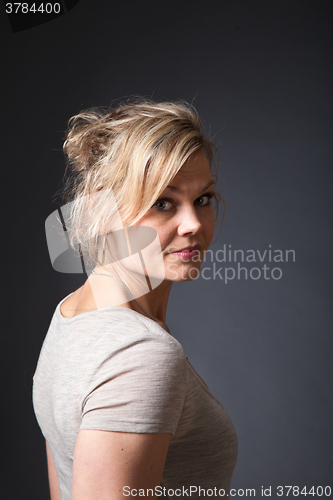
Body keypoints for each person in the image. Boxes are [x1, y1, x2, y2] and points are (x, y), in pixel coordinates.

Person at [32, 98, 238, 500]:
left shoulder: (70, 315)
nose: (194, 223)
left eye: (203, 198)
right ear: (99, 207)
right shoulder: (140, 354)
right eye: (164, 202)